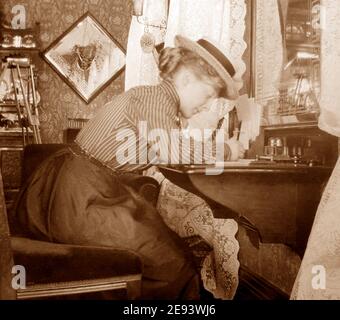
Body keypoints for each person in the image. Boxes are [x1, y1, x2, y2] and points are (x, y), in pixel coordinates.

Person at [14, 35, 240, 299]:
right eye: (208, 94)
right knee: (173, 265)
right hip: (81, 197)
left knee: (171, 249)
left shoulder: (157, 101)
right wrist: (226, 150)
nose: (208, 105)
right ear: (187, 80)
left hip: (83, 188)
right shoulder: (156, 99)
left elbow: (165, 148)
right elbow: (173, 150)